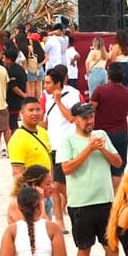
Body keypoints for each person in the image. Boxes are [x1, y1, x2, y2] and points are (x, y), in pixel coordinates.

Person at [57, 102, 124, 256]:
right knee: (84, 247)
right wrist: (89, 149)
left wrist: (102, 149)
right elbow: (66, 168)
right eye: (85, 118)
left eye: (91, 117)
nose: (89, 121)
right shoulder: (67, 140)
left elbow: (118, 162)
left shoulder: (102, 135)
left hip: (105, 201)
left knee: (111, 246)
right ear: (75, 120)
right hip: (80, 203)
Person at [41, 67, 80, 233]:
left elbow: (72, 118)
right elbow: (47, 121)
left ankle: (78, 203)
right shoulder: (46, 96)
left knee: (59, 185)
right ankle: (59, 220)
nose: (45, 86)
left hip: (67, 145)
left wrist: (58, 101)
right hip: (53, 144)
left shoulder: (72, 94)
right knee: (54, 185)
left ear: (58, 83)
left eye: (48, 83)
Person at [90, 62, 128, 189]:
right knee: (118, 166)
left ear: (109, 75)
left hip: (101, 131)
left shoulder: (100, 91)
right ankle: (116, 193)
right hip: (121, 131)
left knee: (100, 163)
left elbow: (91, 109)